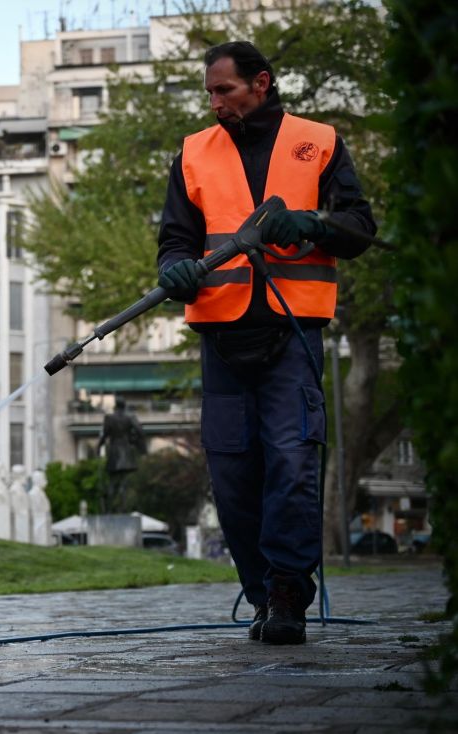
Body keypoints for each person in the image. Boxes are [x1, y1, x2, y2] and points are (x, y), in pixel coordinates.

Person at [156, 42, 376, 644]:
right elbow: (175, 240)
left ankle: (287, 596)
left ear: (261, 83)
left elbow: (359, 227)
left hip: (291, 333)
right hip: (222, 335)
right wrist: (174, 269)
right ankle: (259, 594)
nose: (214, 102)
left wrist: (314, 225)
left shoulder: (319, 142)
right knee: (231, 473)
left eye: (223, 90)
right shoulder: (194, 153)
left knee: (291, 461)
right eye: (209, 92)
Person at [95, 398, 146, 512]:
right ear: (124, 406)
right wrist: (135, 441)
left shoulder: (109, 418)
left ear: (115, 406)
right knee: (125, 481)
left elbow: (104, 435)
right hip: (126, 451)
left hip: (113, 452)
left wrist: (99, 447)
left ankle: (109, 510)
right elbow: (140, 432)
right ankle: (123, 508)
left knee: (112, 482)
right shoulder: (130, 417)